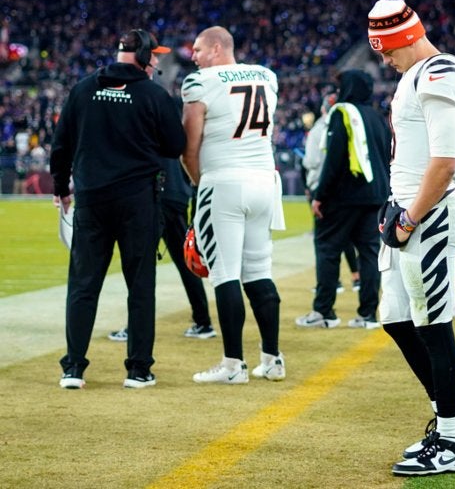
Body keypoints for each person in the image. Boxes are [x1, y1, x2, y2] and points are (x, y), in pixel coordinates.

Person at [367, 0, 455, 475]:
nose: (385, 60)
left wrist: (410, 217)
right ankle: (452, 417)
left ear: (405, 38)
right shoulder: (419, 74)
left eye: (387, 50)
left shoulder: (439, 72)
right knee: (395, 317)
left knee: (433, 323)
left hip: (428, 214)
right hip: (410, 209)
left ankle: (450, 442)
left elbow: (445, 162)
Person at [49, 29, 186, 390]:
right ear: (142, 56)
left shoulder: (83, 89)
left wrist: (61, 188)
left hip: (91, 200)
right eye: (153, 55)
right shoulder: (154, 94)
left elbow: (60, 145)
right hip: (138, 202)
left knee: (82, 285)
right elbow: (175, 146)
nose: (156, 62)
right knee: (140, 286)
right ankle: (138, 370)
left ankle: (73, 368)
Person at [181, 26, 287, 383]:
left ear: (216, 48)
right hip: (264, 181)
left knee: (225, 274)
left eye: (198, 49)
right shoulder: (266, 76)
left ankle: (232, 365)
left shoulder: (200, 82)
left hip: (224, 181)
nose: (193, 56)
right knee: (259, 271)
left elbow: (189, 148)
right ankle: (272, 359)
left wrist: (202, 183)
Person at [295, 69, 390, 329]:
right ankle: (368, 315)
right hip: (375, 197)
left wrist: (319, 196)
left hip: (344, 197)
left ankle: (323, 311)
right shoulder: (377, 117)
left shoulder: (342, 113)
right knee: (369, 254)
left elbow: (333, 159)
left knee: (328, 250)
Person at [107, 149, 218, 343]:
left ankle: (136, 327)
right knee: (185, 262)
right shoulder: (177, 130)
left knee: (142, 265)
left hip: (155, 194)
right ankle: (203, 321)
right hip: (177, 195)